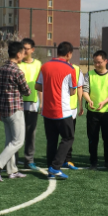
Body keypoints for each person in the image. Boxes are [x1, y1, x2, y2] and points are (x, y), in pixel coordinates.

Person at [0, 41, 31, 181]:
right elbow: (26, 91)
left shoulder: (1, 69)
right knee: (18, 141)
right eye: (23, 53)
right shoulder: (17, 71)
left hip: (4, 110)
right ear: (18, 54)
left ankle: (12, 170)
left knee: (10, 141)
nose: (24, 55)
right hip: (15, 109)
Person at [36, 41, 78, 179]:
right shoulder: (70, 68)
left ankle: (51, 170)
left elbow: (38, 86)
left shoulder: (45, 66)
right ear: (69, 54)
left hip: (47, 111)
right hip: (62, 110)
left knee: (52, 141)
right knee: (68, 137)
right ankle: (55, 167)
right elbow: (73, 91)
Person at [83, 50, 108, 170]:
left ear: (105, 61)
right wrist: (89, 100)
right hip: (92, 113)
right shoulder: (89, 74)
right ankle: (93, 162)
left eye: (99, 62)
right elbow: (85, 90)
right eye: (95, 62)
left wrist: (104, 102)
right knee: (92, 139)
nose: (97, 65)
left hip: (107, 113)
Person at [18, 38, 43, 170]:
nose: (25, 51)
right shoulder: (17, 63)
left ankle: (29, 159)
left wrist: (41, 102)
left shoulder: (38, 64)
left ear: (32, 50)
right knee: (17, 133)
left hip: (33, 103)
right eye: (23, 48)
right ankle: (13, 159)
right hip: (18, 103)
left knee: (31, 132)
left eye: (27, 48)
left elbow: (40, 85)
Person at [63, 60, 84, 170]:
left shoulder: (77, 69)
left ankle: (67, 159)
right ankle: (55, 159)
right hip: (58, 107)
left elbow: (79, 87)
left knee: (69, 135)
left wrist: (80, 105)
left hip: (71, 109)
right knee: (55, 135)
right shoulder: (56, 67)